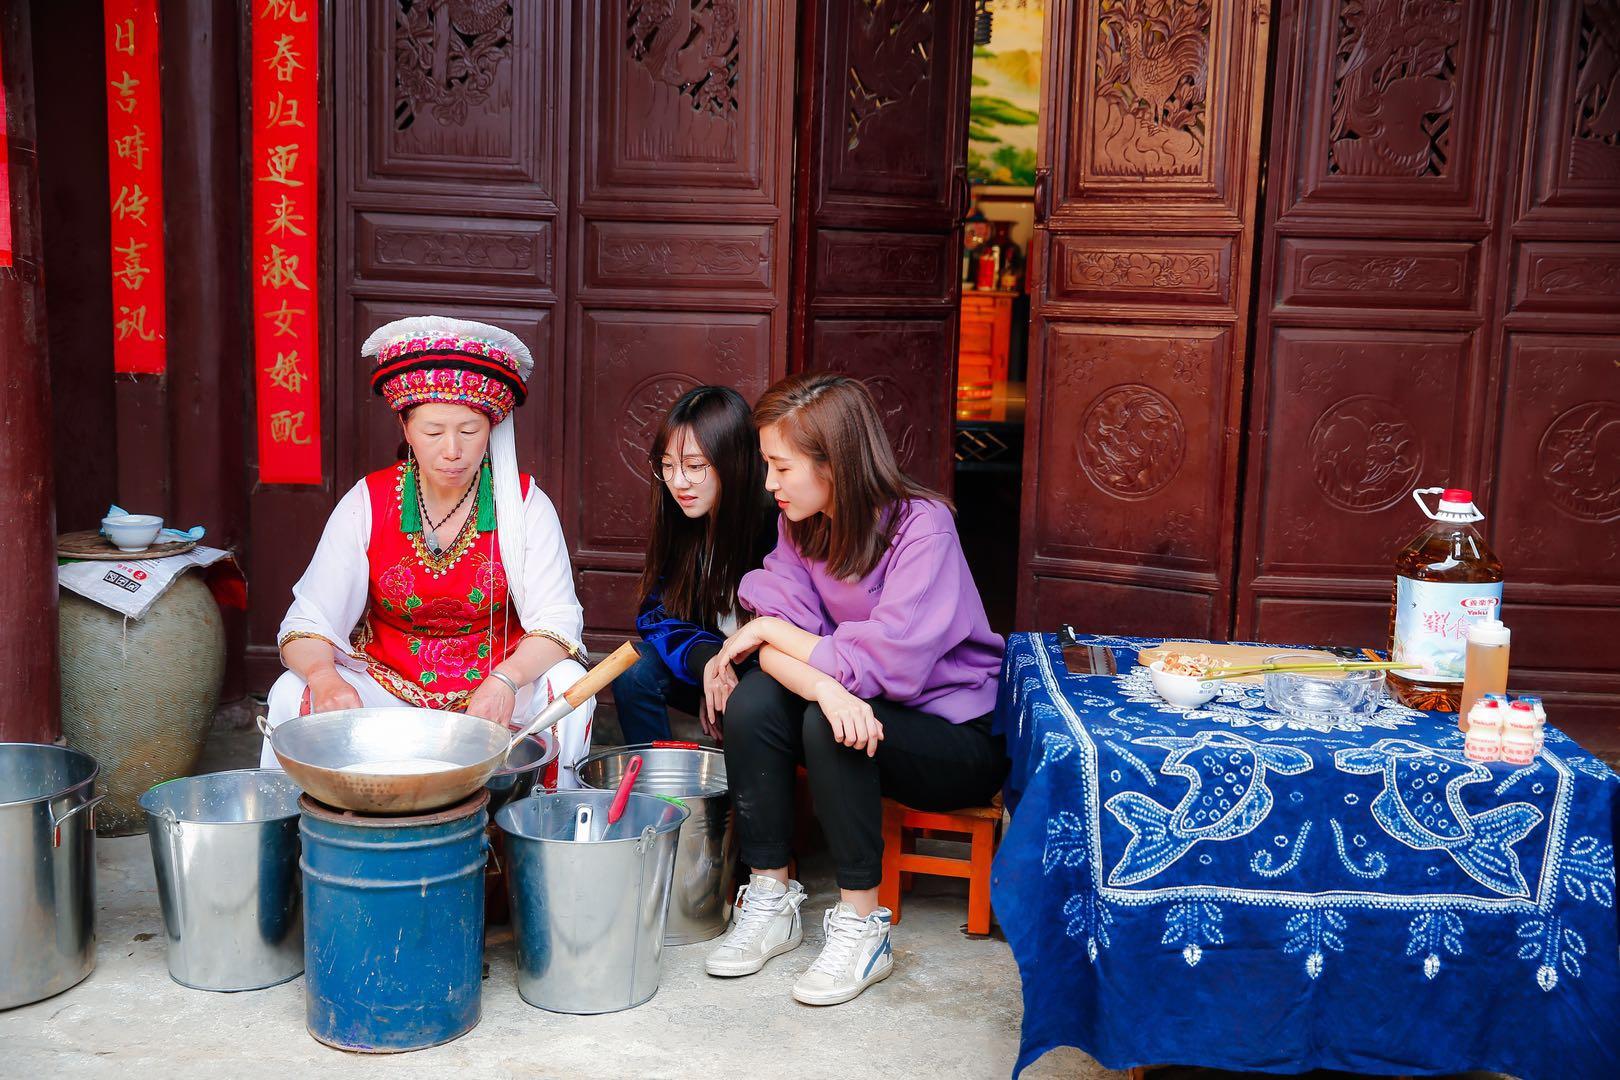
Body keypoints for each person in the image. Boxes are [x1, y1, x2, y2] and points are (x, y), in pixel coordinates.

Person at [701, 372, 1007, 1006]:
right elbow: (771, 648)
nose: (768, 483)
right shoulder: (802, 524)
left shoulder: (923, 528)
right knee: (755, 701)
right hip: (862, 704)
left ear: (833, 464)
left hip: (952, 738)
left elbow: (885, 663)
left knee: (828, 722)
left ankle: (864, 927)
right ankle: (771, 896)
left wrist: (777, 641)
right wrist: (821, 681)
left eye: (781, 467)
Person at [259, 316, 595, 788]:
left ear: (493, 427)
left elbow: (557, 622)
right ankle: (305, 823)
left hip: (496, 686)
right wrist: (325, 678)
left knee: (568, 685)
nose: (453, 450)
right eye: (434, 432)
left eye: (469, 431)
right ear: (406, 426)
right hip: (388, 688)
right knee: (291, 690)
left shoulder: (524, 505)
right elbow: (308, 621)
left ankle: (543, 821)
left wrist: (506, 680)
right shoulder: (367, 502)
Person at [610, 386, 776, 745]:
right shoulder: (683, 519)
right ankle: (654, 773)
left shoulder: (778, 525)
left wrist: (723, 670)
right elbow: (657, 616)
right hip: (712, 662)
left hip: (772, 678)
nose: (678, 482)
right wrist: (708, 666)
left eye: (695, 466)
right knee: (634, 670)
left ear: (734, 461)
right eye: (668, 466)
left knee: (751, 700)